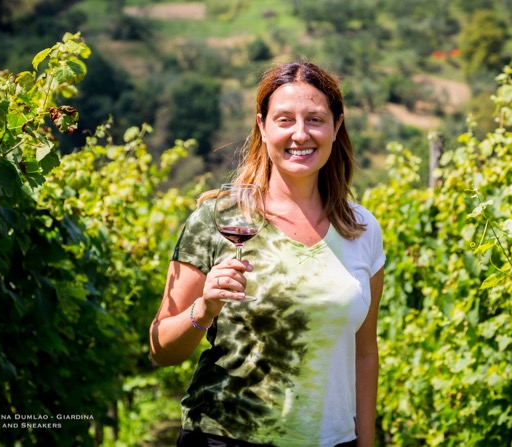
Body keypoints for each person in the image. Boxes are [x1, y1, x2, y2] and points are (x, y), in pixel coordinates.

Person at [149, 61, 385, 447]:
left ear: (336, 126)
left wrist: (365, 443)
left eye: (315, 119)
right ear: (262, 126)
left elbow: (364, 353)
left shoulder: (362, 230)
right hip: (225, 438)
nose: (300, 134)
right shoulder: (219, 220)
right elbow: (161, 349)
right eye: (284, 119)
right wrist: (204, 309)